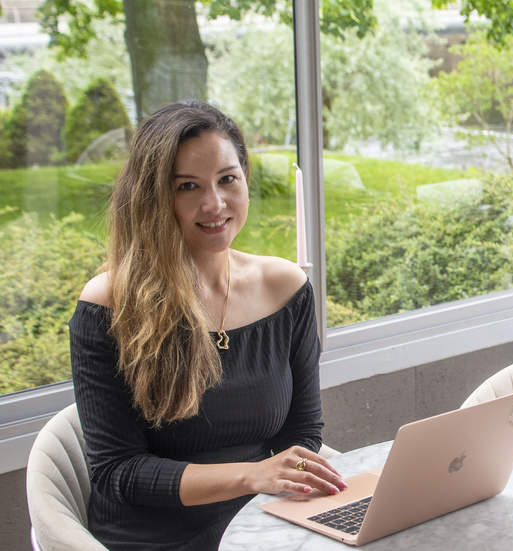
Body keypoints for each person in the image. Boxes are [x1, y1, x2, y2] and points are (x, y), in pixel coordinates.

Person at [69, 99, 347, 550]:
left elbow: (302, 433)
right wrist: (252, 476)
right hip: (158, 537)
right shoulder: (109, 304)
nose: (214, 203)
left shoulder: (285, 288)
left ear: (245, 180)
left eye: (227, 179)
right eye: (186, 186)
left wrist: (287, 492)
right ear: (153, 198)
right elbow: (118, 470)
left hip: (264, 525)